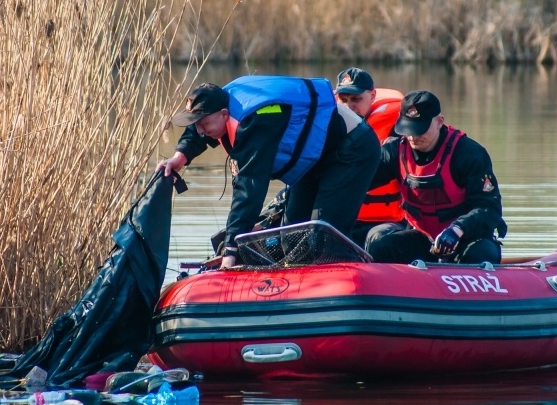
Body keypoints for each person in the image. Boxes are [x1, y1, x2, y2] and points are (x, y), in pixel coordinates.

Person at [159, 75, 380, 268]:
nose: (200, 130)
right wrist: (181, 156)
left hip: (351, 149)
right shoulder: (218, 104)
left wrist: (231, 250)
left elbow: (249, 190)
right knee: (291, 237)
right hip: (313, 160)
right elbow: (199, 123)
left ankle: (355, 279)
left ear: (225, 115)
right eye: (197, 125)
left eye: (204, 124)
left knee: (323, 238)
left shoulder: (255, 122)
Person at [365, 90, 507, 264]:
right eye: (408, 129)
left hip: (466, 238)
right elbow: (356, 181)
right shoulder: (394, 152)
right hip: (424, 238)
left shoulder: (468, 153)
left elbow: (489, 208)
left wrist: (457, 229)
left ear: (439, 122)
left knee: (480, 254)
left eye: (420, 129)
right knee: (381, 246)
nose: (413, 136)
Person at [334, 67, 406, 245]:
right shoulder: (327, 130)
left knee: (378, 241)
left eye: (356, 99)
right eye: (343, 100)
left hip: (386, 223)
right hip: (341, 220)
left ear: (372, 96)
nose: (349, 107)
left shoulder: (398, 131)